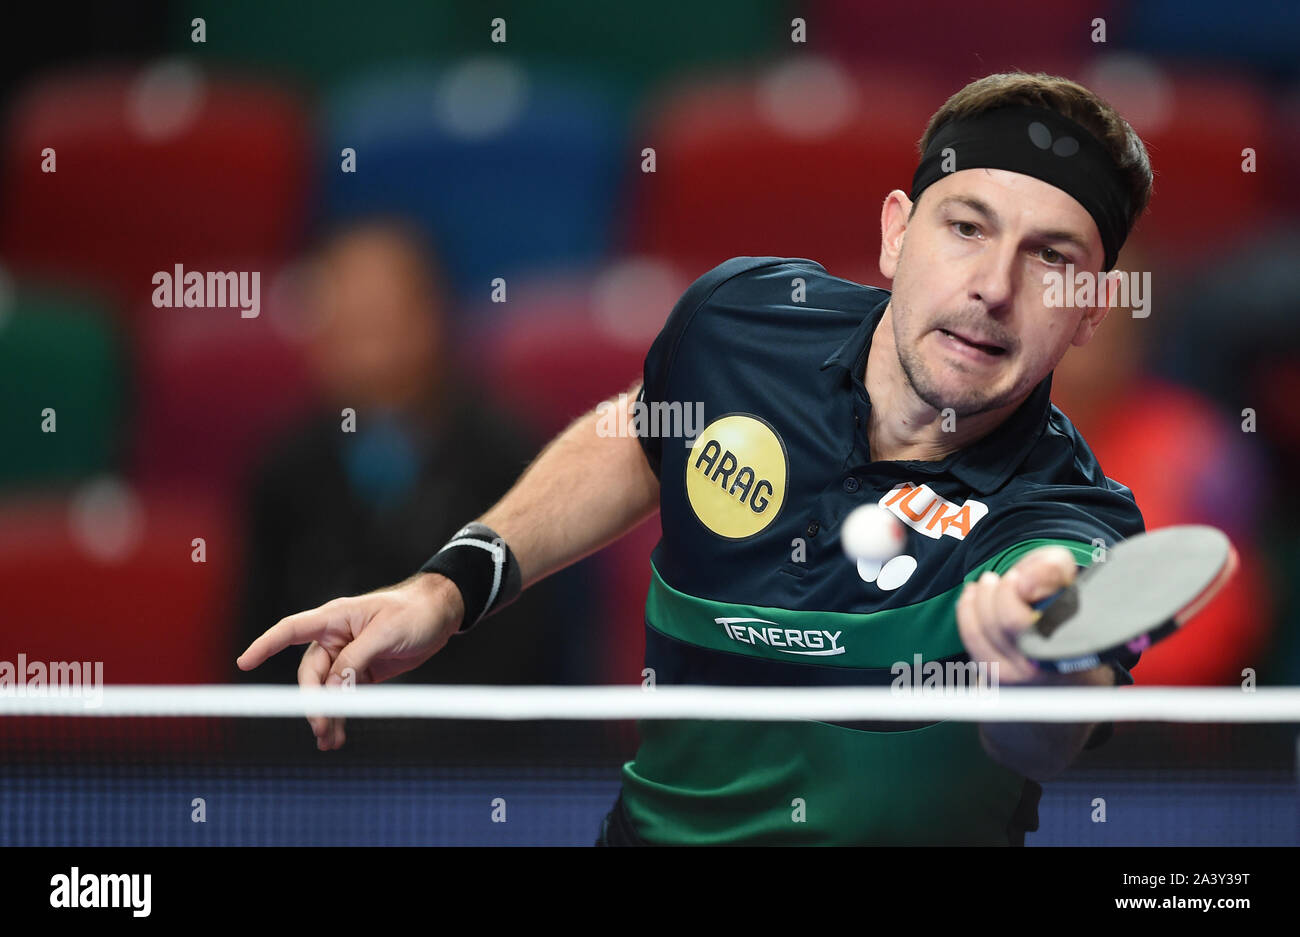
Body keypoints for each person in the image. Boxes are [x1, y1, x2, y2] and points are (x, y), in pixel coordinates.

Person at [240, 71, 1155, 844]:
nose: (993, 287)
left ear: (1089, 311)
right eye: (966, 227)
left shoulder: (1070, 521)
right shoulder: (743, 326)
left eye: (1050, 260)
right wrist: (445, 589)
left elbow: (1052, 727)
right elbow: (643, 435)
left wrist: (1031, 666)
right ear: (895, 232)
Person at [235, 217, 576, 693]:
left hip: (476, 753)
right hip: (316, 753)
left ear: (433, 316)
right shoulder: (284, 468)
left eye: (378, 315)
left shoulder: (509, 455)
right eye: (341, 314)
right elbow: (253, 655)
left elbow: (531, 657)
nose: (360, 338)